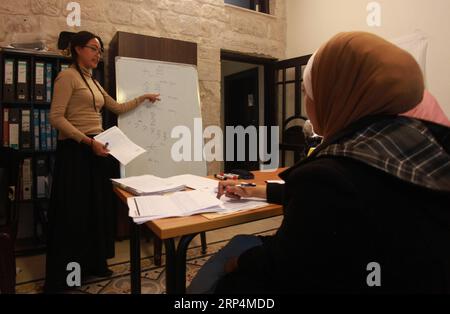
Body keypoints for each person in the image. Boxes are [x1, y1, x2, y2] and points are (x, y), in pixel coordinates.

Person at [188, 32, 450, 294]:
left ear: (334, 95)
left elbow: (286, 267)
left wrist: (239, 264)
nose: (306, 102)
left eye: (307, 91)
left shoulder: (329, 175)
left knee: (208, 280)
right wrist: (258, 190)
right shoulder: (423, 143)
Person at [45, 31, 160, 292]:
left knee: (94, 211)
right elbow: (56, 118)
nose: (98, 54)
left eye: (99, 50)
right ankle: (68, 276)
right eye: (93, 49)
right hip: (77, 151)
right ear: (77, 49)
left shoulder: (93, 81)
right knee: (75, 213)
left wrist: (143, 98)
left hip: (97, 150)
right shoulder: (67, 77)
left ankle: (93, 265)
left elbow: (116, 108)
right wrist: (88, 142)